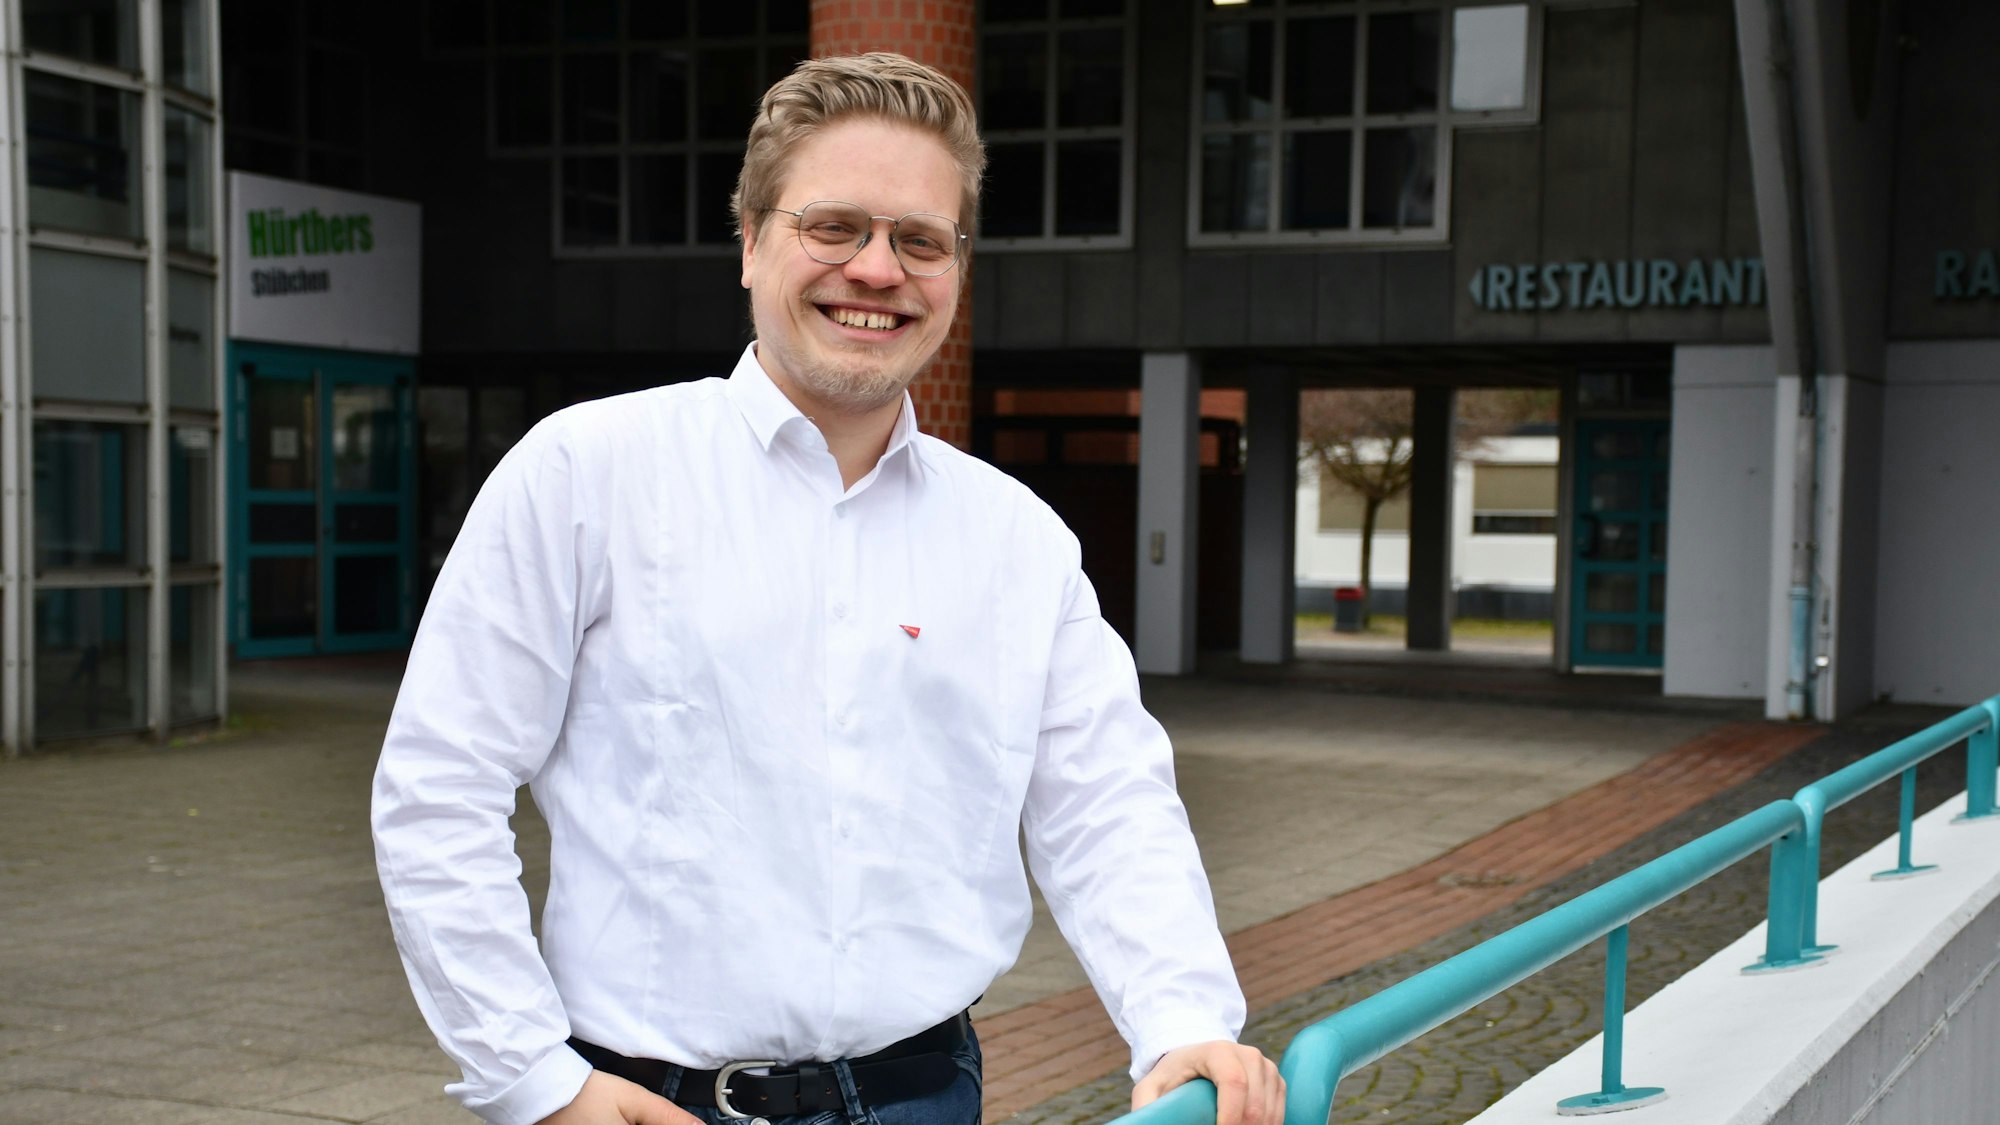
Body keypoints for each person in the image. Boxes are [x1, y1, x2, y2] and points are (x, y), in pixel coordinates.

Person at [372, 51, 1283, 1125]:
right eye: (833, 226)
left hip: (925, 1094)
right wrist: (533, 1080)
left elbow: (1104, 803)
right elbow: (440, 788)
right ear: (751, 243)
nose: (877, 270)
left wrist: (1184, 1020)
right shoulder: (584, 473)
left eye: (918, 240)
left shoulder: (1014, 538)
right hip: (642, 1103)